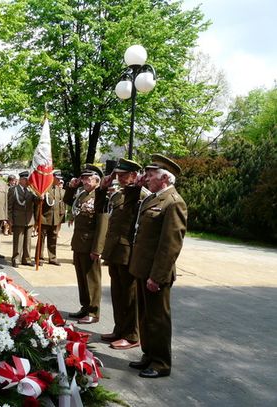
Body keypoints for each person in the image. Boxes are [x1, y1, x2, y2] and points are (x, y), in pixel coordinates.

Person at [128, 154, 187, 379]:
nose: (146, 177)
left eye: (151, 175)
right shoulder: (153, 198)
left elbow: (170, 246)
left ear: (164, 178)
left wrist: (157, 276)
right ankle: (149, 354)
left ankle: (161, 362)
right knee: (145, 316)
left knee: (158, 319)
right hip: (143, 269)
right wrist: (138, 186)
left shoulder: (174, 202)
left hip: (156, 273)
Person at [97, 158, 143, 350]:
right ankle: (120, 329)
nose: (120, 179)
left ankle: (132, 335)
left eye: (123, 175)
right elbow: (101, 210)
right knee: (117, 294)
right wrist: (101, 189)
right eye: (118, 175)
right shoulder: (118, 195)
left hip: (128, 253)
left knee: (130, 296)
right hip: (114, 251)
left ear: (134, 175)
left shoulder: (141, 195)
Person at [63, 165, 108, 324]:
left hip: (90, 244)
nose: (85, 181)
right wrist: (71, 187)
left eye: (88, 178)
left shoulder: (101, 196)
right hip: (79, 242)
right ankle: (85, 307)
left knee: (92, 279)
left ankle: (93, 312)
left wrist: (97, 249)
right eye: (83, 178)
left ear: (97, 180)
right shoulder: (82, 194)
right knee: (82, 278)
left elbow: (102, 224)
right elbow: (67, 200)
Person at [35, 170, 64, 266]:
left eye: (60, 179)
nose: (59, 180)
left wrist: (60, 219)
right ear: (53, 177)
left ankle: (52, 258)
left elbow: (61, 205)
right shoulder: (45, 188)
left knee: (53, 239)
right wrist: (37, 218)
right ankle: (39, 257)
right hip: (44, 218)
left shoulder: (59, 189)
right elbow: (38, 205)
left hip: (55, 219)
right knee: (41, 239)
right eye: (58, 178)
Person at [8, 171, 36, 267]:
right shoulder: (13, 190)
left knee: (28, 241)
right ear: (21, 180)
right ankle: (16, 259)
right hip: (17, 218)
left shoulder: (31, 190)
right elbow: (9, 206)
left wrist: (40, 196)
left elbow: (36, 201)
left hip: (29, 219)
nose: (28, 182)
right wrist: (10, 219)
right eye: (27, 180)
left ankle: (27, 259)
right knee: (18, 240)